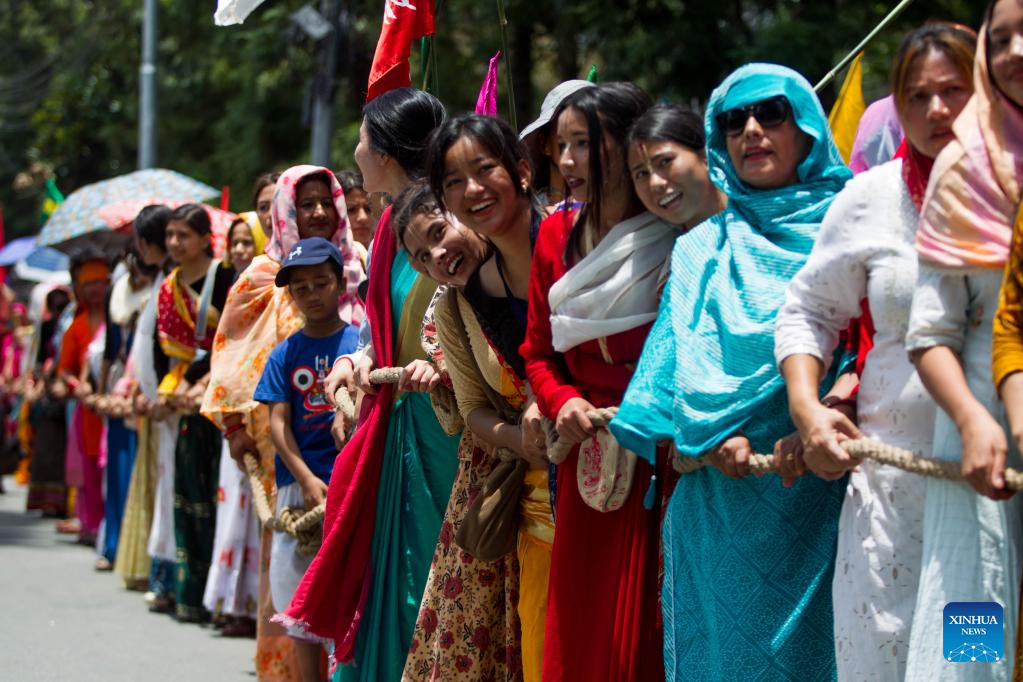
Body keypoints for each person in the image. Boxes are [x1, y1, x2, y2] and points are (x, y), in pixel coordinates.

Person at [610, 64, 852, 680]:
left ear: (805, 127)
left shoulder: (855, 225)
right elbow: (664, 386)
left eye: (771, 113)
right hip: (725, 504)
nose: (752, 130)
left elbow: (880, 349)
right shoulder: (699, 248)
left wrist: (837, 409)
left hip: (838, 497)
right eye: (733, 120)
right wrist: (707, 438)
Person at [774, 23, 977, 680]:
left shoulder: (1011, 198)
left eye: (953, 91)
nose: (936, 110)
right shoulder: (869, 199)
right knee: (879, 663)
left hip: (985, 504)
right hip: (885, 504)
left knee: (966, 662)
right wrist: (809, 412)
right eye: (916, 96)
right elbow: (808, 311)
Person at [285, 88, 459, 682]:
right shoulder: (391, 221)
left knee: (428, 581)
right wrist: (360, 360)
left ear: (383, 150)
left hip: (443, 431)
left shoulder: (433, 221)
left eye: (362, 138)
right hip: (401, 427)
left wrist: (380, 366)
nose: (355, 149)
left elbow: (437, 326)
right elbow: (388, 329)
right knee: (395, 579)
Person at [519, 81, 678, 681]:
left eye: (581, 144)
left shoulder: (680, 233)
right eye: (559, 146)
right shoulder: (555, 236)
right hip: (586, 457)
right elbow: (537, 352)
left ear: (625, 144)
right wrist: (562, 402)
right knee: (583, 624)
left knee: (652, 624)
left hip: (664, 456)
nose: (564, 163)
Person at [401, 112, 551, 680]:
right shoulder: (457, 304)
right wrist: (522, 438)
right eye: (420, 256)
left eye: (438, 233)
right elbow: (473, 411)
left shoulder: (562, 241)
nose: (436, 256)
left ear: (521, 172)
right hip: (530, 491)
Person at [201, 166, 361, 680]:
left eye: (324, 202)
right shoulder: (257, 278)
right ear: (284, 210)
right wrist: (233, 430)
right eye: (305, 203)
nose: (316, 213)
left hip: (352, 461)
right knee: (294, 583)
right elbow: (229, 359)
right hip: (286, 465)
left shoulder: (361, 264)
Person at [907, 3, 1023, 678]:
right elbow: (929, 331)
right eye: (999, 38)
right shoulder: (962, 169)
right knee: (973, 622)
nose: (1012, 52)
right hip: (977, 434)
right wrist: (973, 420)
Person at [251, 237, 360, 681]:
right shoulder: (284, 354)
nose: (312, 294)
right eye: (301, 288)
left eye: (321, 282)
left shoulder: (360, 343)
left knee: (346, 591)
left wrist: (337, 480)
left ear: (340, 284)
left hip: (350, 483)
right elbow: (278, 425)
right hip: (298, 489)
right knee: (293, 594)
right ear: (290, 295)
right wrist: (307, 478)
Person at [155, 203, 235, 622]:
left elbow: (231, 341)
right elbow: (174, 357)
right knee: (187, 496)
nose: (174, 243)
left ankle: (217, 600)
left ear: (206, 238)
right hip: (184, 400)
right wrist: (174, 391)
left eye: (182, 235)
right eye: (169, 235)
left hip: (218, 398)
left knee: (215, 500)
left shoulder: (225, 277)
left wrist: (204, 385)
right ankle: (189, 595)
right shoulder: (168, 287)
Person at [202, 210, 267, 637]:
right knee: (235, 512)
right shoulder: (240, 289)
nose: (242, 250)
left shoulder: (284, 280)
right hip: (238, 418)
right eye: (236, 243)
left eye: (249, 241)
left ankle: (252, 610)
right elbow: (224, 356)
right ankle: (229, 602)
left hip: (271, 416)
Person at [114, 205, 174, 594]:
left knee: (167, 492)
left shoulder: (171, 281)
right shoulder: (161, 280)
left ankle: (168, 578)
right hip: (155, 399)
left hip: (168, 402)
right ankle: (160, 573)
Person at [96, 249, 157, 570]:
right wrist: (103, 390)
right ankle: (112, 545)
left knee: (138, 468)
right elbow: (110, 345)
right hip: (120, 386)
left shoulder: (160, 288)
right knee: (117, 469)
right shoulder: (116, 290)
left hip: (144, 385)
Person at [53, 248, 111, 546]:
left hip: (112, 402)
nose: (95, 289)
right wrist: (77, 383)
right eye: (88, 284)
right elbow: (64, 369)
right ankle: (91, 522)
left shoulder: (119, 318)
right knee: (90, 464)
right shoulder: (75, 326)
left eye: (100, 282)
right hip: (86, 407)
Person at [24, 285, 71, 517]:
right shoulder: (48, 326)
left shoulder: (69, 323)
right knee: (46, 448)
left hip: (63, 389)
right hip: (50, 391)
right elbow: (42, 358)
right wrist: (41, 381)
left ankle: (61, 501)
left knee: (60, 448)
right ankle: (46, 500)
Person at [519, 80, 594, 210]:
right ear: (545, 144)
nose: (570, 159)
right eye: (562, 142)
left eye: (585, 142)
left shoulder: (611, 212)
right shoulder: (525, 214)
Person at [336, 170, 375, 249]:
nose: (363, 218)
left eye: (368, 209)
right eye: (351, 210)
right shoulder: (323, 259)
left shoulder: (387, 253)